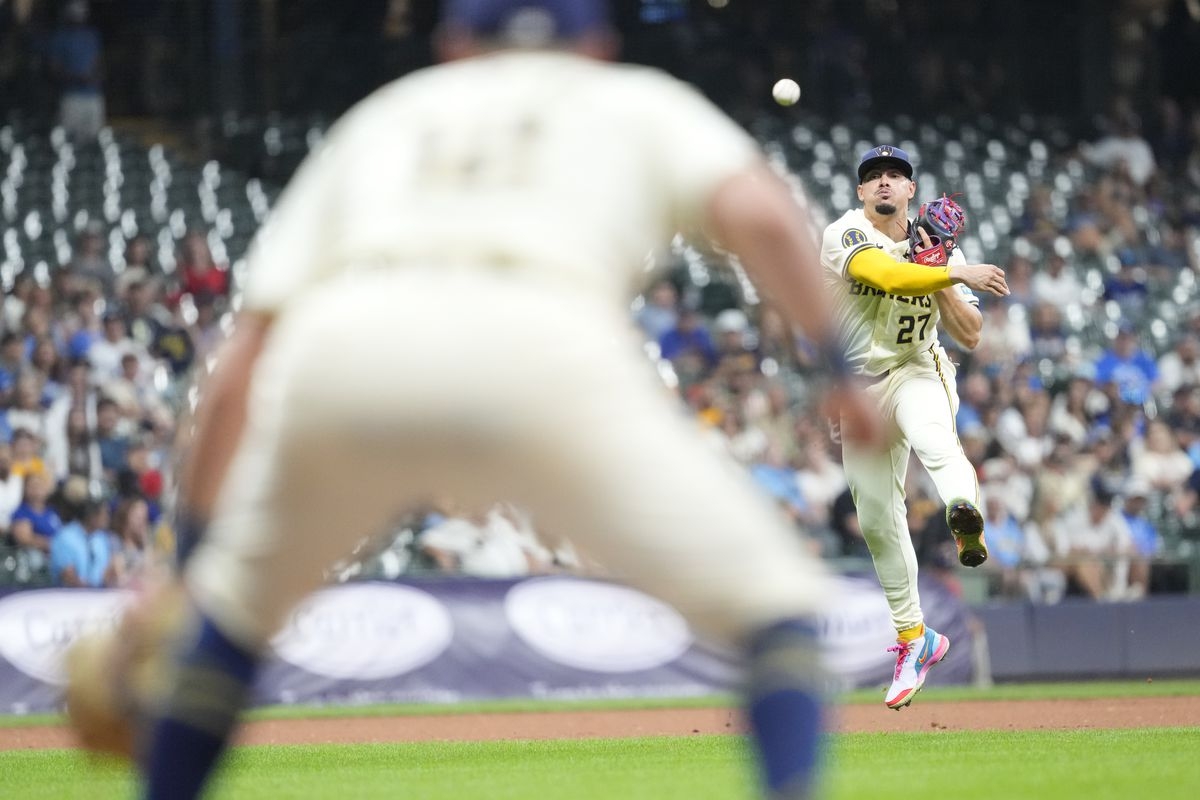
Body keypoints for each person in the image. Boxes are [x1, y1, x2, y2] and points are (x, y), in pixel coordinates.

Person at [66, 2, 880, 799]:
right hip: (540, 337)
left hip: (350, 350)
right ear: (597, 43)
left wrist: (194, 567)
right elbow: (763, 216)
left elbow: (241, 360)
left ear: (453, 42)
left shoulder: (386, 116)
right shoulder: (636, 100)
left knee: (228, 630)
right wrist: (843, 370)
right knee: (777, 610)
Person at [820, 144, 1009, 709]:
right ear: (860, 191)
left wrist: (944, 273)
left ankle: (963, 513)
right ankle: (914, 637)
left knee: (934, 439)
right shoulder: (845, 233)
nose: (884, 182)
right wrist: (950, 269)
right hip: (860, 390)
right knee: (877, 520)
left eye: (895, 175)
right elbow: (884, 274)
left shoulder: (940, 249)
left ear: (911, 190)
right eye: (873, 176)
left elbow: (970, 333)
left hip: (916, 368)